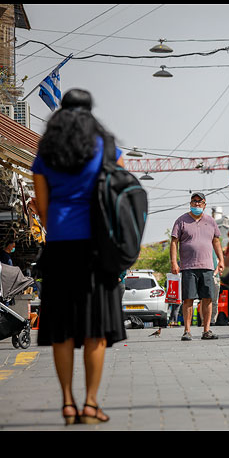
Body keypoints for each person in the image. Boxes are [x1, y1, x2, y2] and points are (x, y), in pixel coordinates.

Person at [31, 88, 126, 425]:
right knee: (95, 329)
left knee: (62, 329)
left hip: (59, 247)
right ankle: (90, 403)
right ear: (90, 111)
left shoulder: (45, 150)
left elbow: (42, 208)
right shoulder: (106, 145)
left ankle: (67, 403)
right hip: (97, 247)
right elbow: (119, 195)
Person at [170, 192, 224, 341]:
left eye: (200, 202)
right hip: (188, 267)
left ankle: (206, 330)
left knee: (207, 298)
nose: (197, 204)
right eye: (194, 202)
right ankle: (187, 331)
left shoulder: (211, 221)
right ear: (190, 204)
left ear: (204, 205)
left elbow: (216, 241)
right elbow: (174, 242)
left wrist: (221, 260)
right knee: (188, 299)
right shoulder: (181, 221)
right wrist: (174, 262)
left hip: (207, 266)